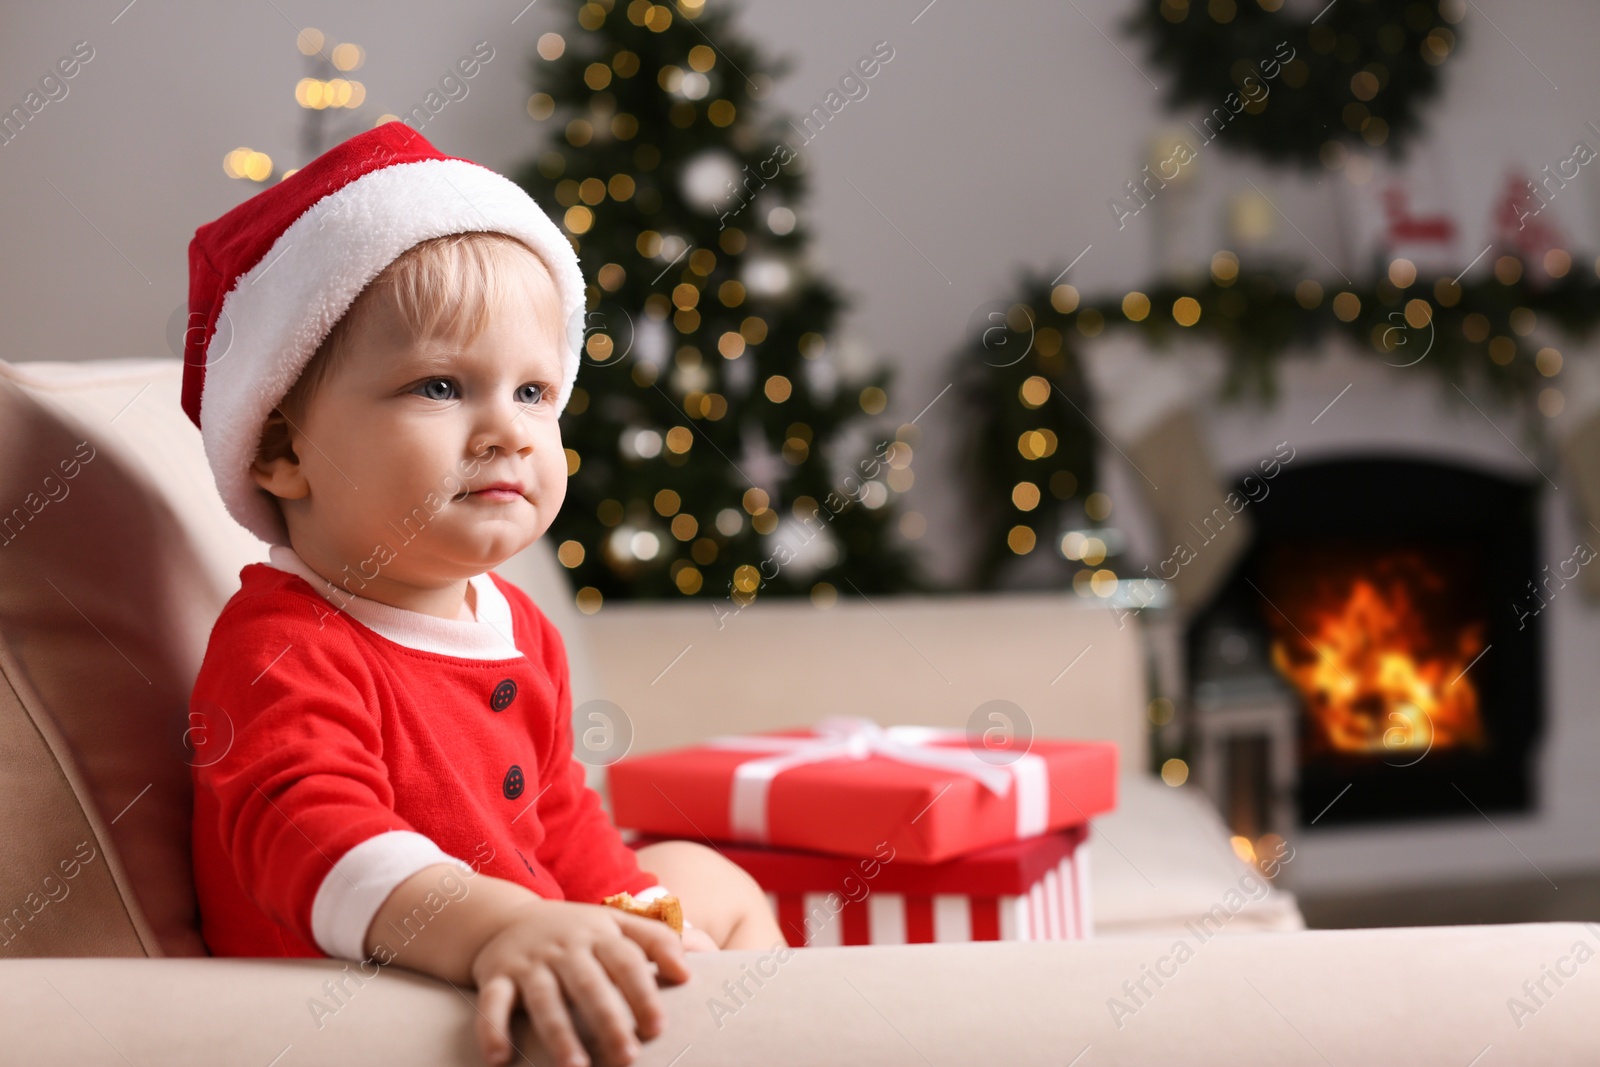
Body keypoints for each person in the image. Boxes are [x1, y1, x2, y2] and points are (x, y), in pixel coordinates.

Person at [182, 122, 783, 1067]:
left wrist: (630, 910)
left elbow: (559, 813)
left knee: (700, 877)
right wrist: (500, 925)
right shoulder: (284, 642)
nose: (509, 427)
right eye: (439, 384)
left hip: (529, 927)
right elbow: (308, 834)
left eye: (537, 391)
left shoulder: (512, 623)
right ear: (284, 450)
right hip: (377, 987)